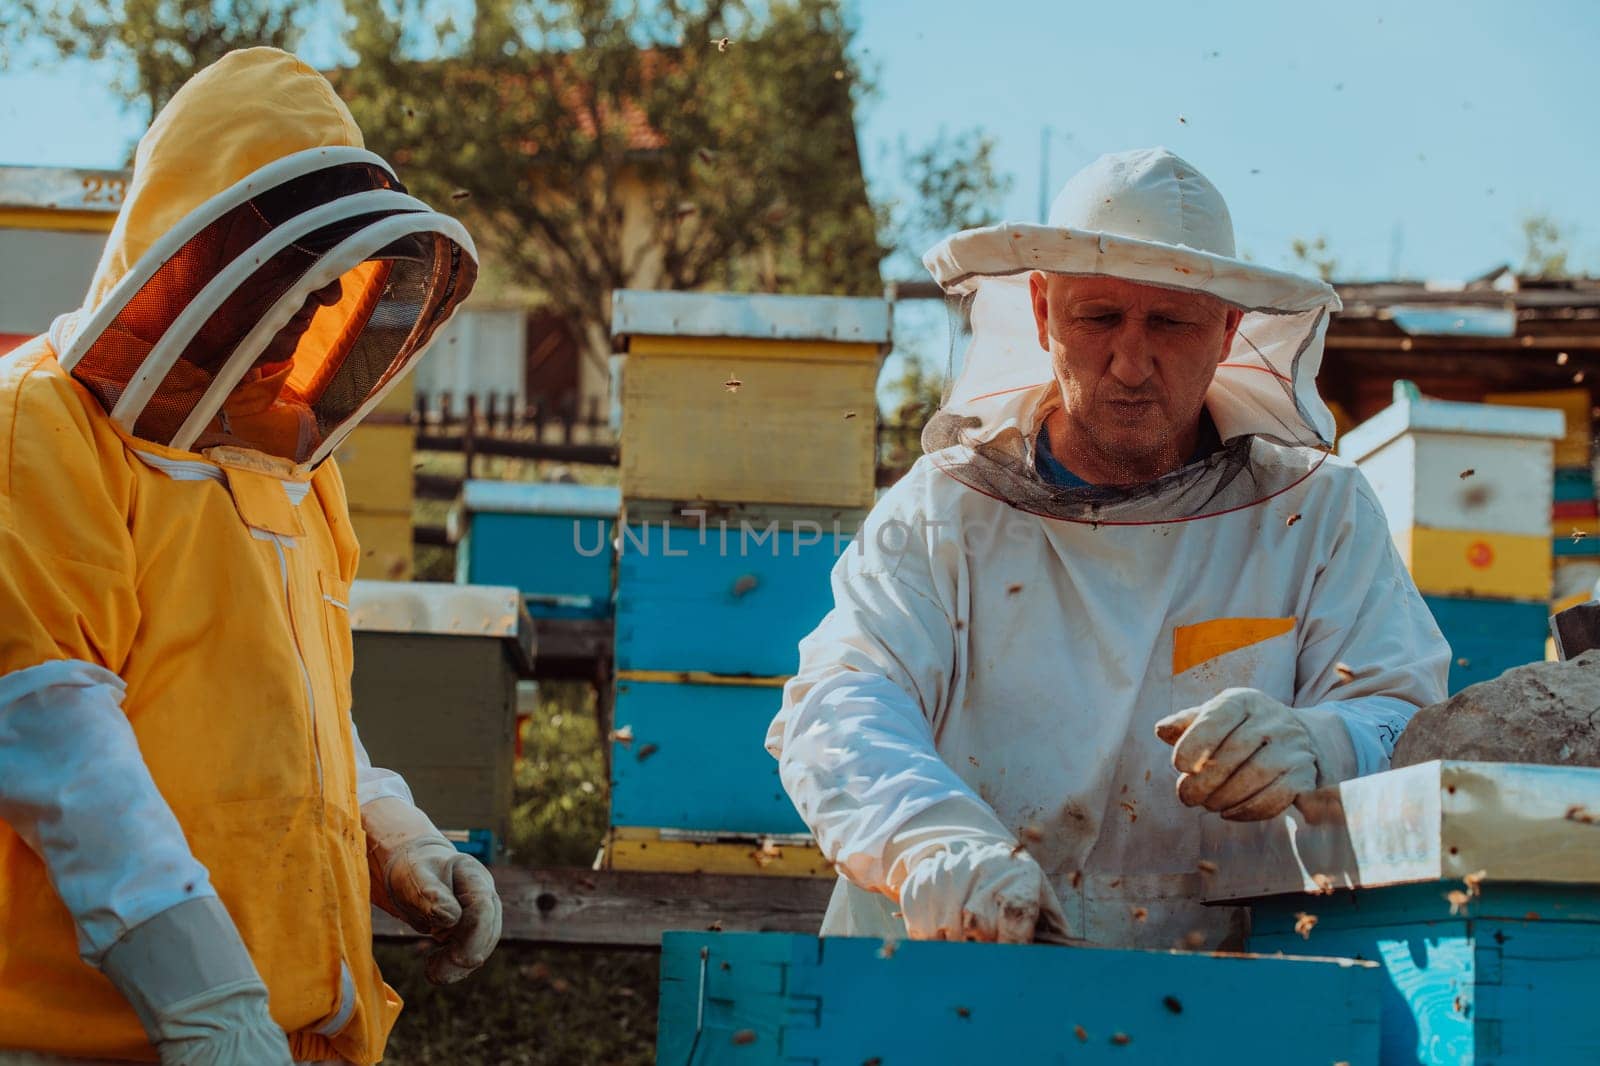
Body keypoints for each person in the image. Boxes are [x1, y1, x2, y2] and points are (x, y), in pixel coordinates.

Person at [767, 147, 1451, 950]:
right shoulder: (941, 507)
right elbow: (842, 700)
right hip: (953, 962)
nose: (1131, 362)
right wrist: (931, 839)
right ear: (1041, 310)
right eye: (1098, 318)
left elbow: (1404, 719)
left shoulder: (1319, 513)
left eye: (1170, 322)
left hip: (1215, 983)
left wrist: (1321, 741)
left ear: (1229, 327)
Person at [0, 48, 500, 1065]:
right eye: (285, 284)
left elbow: (297, 708)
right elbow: (52, 740)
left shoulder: (295, 468)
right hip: (84, 1034)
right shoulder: (38, 429)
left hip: (281, 1030)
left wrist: (395, 834)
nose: (309, 320)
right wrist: (207, 997)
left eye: (331, 292)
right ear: (194, 260)